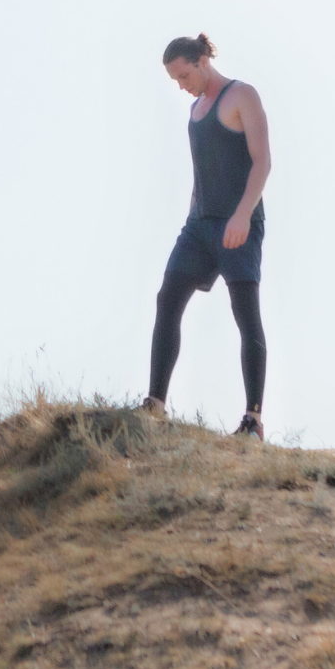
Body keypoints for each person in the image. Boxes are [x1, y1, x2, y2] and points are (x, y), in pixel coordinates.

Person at [143, 33, 272, 439]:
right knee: (168, 299)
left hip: (238, 223)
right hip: (198, 226)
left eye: (184, 75)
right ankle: (155, 405)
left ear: (202, 60)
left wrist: (242, 216)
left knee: (244, 312)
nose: (182, 86)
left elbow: (262, 163)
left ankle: (252, 419)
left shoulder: (241, 96)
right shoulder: (195, 111)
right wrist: (193, 219)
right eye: (175, 81)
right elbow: (204, 174)